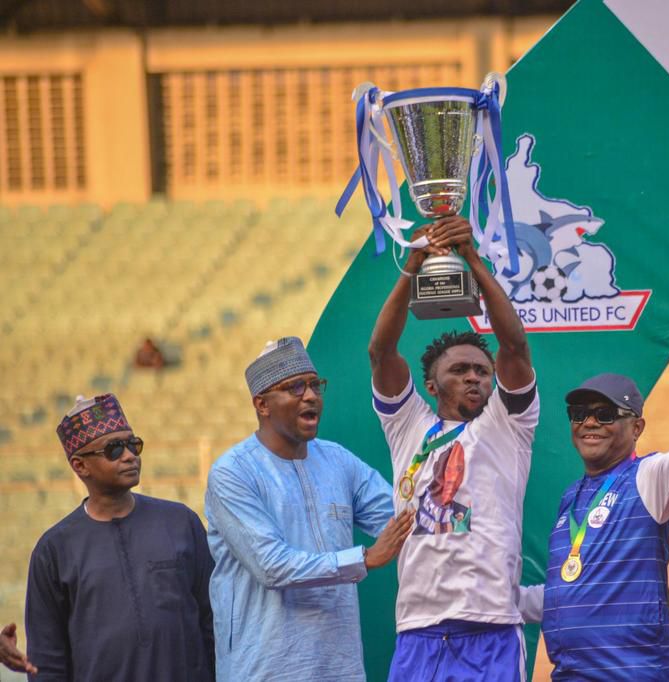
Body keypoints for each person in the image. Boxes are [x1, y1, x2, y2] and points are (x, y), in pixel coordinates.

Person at [368, 216, 538, 680]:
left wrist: (473, 260)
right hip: (418, 630)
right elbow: (382, 352)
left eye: (482, 371)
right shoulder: (408, 425)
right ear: (430, 383)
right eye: (460, 369)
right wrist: (414, 265)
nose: (473, 377)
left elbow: (515, 347)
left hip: (491, 628)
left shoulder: (510, 425)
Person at [206, 337, 412, 681]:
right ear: (262, 404)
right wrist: (364, 558)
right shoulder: (233, 473)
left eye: (316, 385)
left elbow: (402, 520)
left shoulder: (338, 460)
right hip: (266, 668)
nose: (312, 395)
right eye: (295, 387)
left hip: (340, 667)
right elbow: (271, 567)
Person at [541, 372, 669, 680]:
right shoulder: (570, 496)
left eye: (604, 414)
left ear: (637, 427)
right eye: (579, 414)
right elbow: (566, 588)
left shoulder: (647, 476)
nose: (589, 423)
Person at [26, 394, 215, 681]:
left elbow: (213, 619)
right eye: (114, 449)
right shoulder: (54, 550)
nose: (129, 455)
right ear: (80, 466)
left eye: (133, 444)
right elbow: (47, 658)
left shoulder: (181, 522)